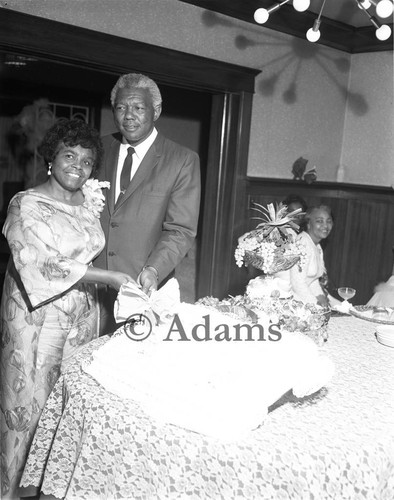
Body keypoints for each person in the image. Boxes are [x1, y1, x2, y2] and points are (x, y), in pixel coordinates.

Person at [0, 118, 133, 499]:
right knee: (29, 404)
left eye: (87, 161)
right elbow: (37, 260)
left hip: (81, 314)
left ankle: (54, 488)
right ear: (51, 159)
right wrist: (107, 277)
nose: (78, 165)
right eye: (69, 155)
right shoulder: (26, 202)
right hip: (37, 312)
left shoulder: (89, 205)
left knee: (69, 404)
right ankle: (14, 491)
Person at [95, 73, 201, 335]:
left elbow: (181, 229)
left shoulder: (181, 160)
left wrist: (153, 269)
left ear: (156, 111)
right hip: (91, 284)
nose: (128, 115)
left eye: (138, 108)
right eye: (121, 108)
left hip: (142, 289)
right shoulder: (98, 148)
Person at [290, 204, 334, 307]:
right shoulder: (302, 243)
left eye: (329, 221)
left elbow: (312, 279)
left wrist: (321, 297)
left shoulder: (317, 246)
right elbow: (297, 283)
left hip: (303, 299)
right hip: (292, 300)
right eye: (319, 221)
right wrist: (315, 305)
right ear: (309, 224)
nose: (325, 226)